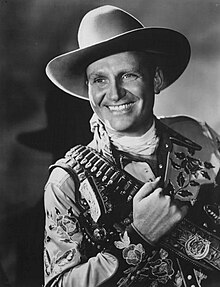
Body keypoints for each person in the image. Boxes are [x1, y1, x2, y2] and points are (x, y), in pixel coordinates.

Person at [43, 5, 220, 287]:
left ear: (156, 80)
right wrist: (140, 236)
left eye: (129, 75)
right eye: (100, 79)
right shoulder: (68, 181)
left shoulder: (199, 138)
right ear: (88, 89)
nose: (114, 93)